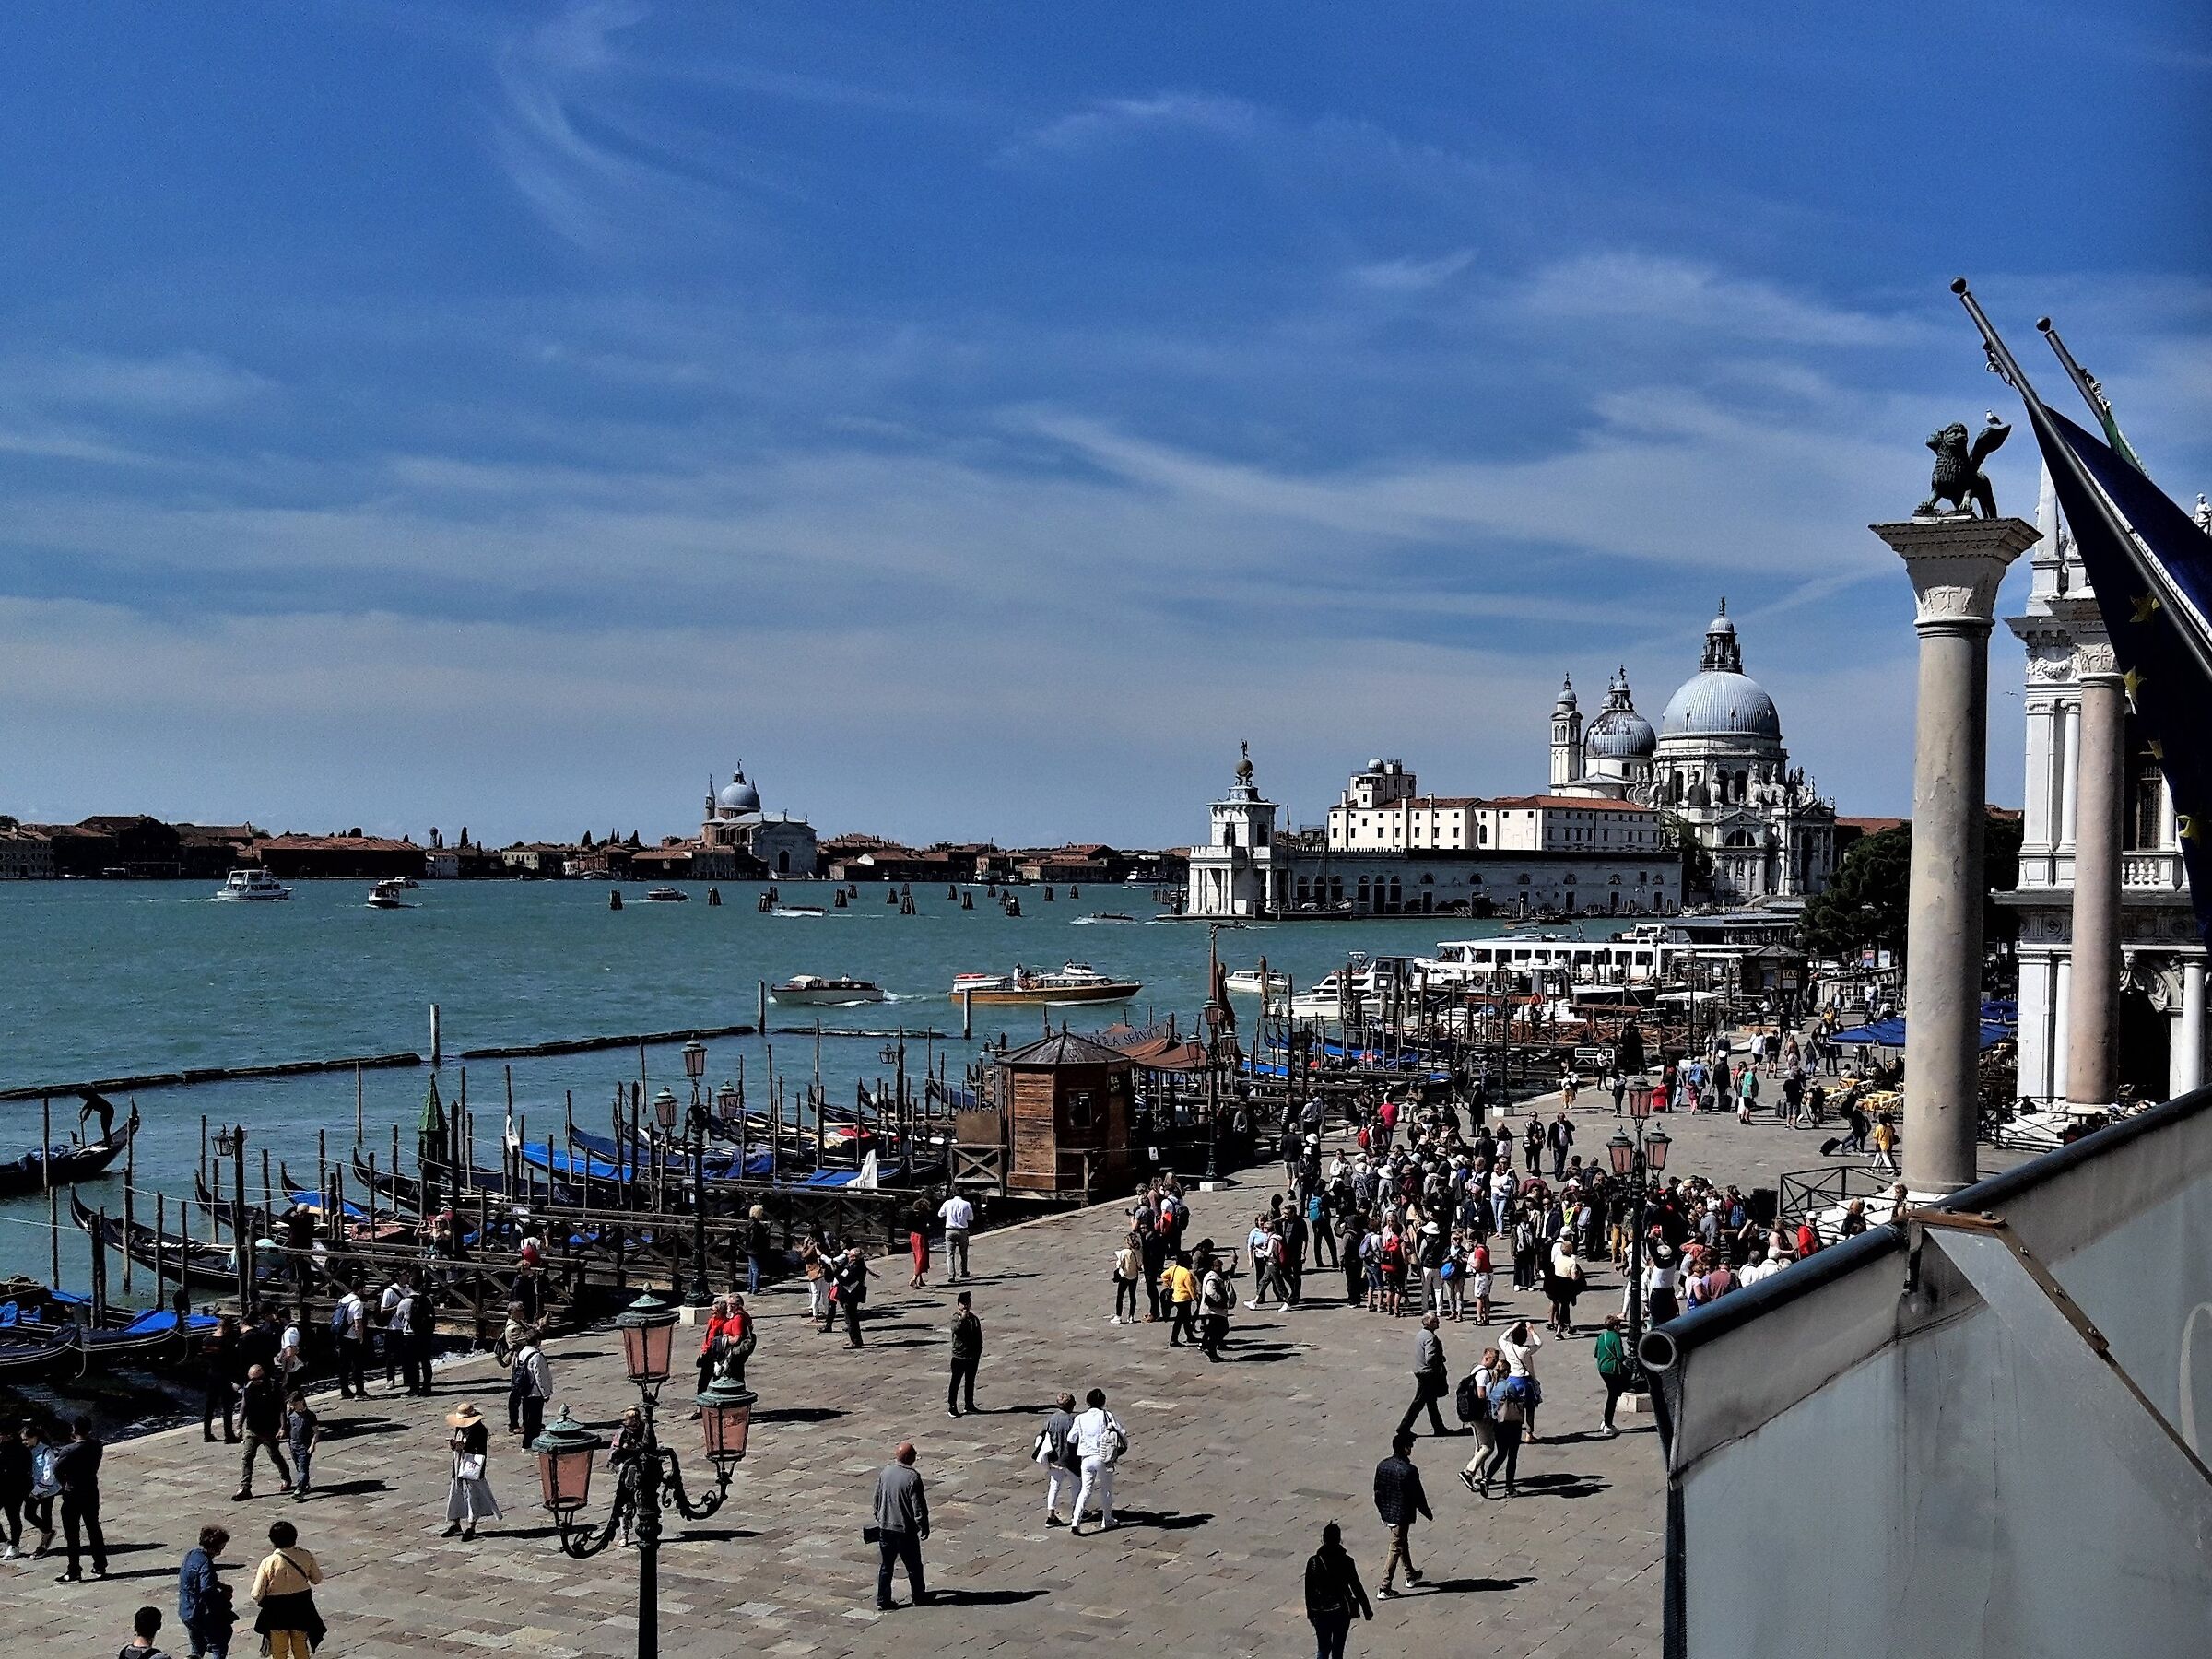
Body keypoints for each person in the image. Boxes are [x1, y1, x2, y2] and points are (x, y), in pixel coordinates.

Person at [248, 1520, 323, 1659]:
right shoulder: (306, 1555)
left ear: (272, 1540)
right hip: (302, 1606)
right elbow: (317, 1579)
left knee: (279, 1648)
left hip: (277, 1611)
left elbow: (256, 1594)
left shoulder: (268, 1562)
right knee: (301, 1646)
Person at [1371, 1432, 1430, 1597]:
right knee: (1395, 1547)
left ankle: (1410, 1574)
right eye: (1410, 1446)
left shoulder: (1382, 1465)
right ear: (1405, 1448)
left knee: (1401, 1542)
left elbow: (1377, 1490)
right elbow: (1418, 1495)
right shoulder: (1409, 1470)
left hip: (1387, 1512)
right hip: (1402, 1514)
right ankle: (1385, 1586)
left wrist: (1381, 1510)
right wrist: (1426, 1511)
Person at [870, 1442, 929, 1610]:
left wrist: (879, 1516)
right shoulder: (913, 1477)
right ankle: (918, 1596)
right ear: (909, 1457)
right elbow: (918, 1507)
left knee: (886, 1566)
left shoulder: (886, 1471)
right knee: (914, 1566)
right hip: (905, 1531)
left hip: (886, 1528)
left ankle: (883, 1600)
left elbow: (877, 1497)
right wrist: (923, 1525)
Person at [1303, 1521, 1374, 1658]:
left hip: (1320, 1611)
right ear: (1339, 1539)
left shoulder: (1314, 1561)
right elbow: (1356, 1586)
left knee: (1323, 1648)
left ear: (1323, 1539)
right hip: (1341, 1611)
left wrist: (1310, 1612)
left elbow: (1309, 1590)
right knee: (1337, 1650)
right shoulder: (1346, 1561)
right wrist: (1366, 1609)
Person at [53, 1416, 107, 1582]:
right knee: (93, 1528)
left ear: (74, 1430)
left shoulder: (68, 1450)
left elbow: (56, 1470)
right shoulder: (97, 1445)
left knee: (72, 1533)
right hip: (91, 1490)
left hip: (73, 1493)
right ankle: (100, 1564)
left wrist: (65, 1484)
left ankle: (74, 1569)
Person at [1068, 1388, 1126, 1535]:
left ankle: (1075, 1521)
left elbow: (1071, 1438)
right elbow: (1121, 1432)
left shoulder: (1080, 1418)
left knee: (1085, 1490)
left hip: (1086, 1458)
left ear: (1087, 1402)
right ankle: (1107, 1519)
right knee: (1106, 1490)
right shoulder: (1106, 1415)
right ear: (1103, 1402)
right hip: (1103, 1457)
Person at [441, 1403, 500, 1541]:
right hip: (458, 1463)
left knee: (472, 1496)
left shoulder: (480, 1430)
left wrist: (465, 1446)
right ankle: (455, 1524)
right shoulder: (460, 1427)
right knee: (456, 1493)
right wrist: (455, 1446)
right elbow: (459, 1444)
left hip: (472, 1466)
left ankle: (471, 1527)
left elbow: (480, 1451)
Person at [233, 1364, 291, 1501]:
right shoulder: (248, 1389)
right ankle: (245, 1487)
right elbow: (244, 1407)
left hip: (269, 1430)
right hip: (252, 1430)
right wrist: (239, 1426)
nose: (253, 1381)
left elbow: (281, 1409)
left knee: (275, 1456)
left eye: (255, 1379)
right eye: (251, 1379)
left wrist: (282, 1427)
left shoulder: (273, 1388)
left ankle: (286, 1477)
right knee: (247, 1457)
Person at [179, 1525, 235, 1659]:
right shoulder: (206, 1563)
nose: (221, 1551)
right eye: (221, 1547)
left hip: (186, 1609)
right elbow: (206, 1589)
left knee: (197, 1647)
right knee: (218, 1645)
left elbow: (195, 1579)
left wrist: (221, 1585)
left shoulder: (191, 1554)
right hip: (200, 1612)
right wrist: (222, 1597)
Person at [1395, 1314, 1453, 1438]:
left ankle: (1439, 1428)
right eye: (1435, 1321)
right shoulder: (1430, 1338)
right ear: (1430, 1323)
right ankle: (1403, 1428)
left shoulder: (1420, 1334)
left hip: (1420, 1370)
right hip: (1428, 1374)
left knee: (1431, 1402)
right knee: (1419, 1402)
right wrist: (1440, 1359)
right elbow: (1430, 1358)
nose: (1438, 1323)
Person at [1032, 1394, 1078, 1526]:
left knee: (1054, 1486)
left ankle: (1050, 1515)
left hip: (1054, 1459)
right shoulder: (1072, 1421)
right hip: (1069, 1460)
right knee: (1077, 1485)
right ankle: (1077, 1511)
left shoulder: (1051, 1419)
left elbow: (1043, 1434)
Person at [1498, 1319, 1545, 1441]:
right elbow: (1539, 1343)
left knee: (1514, 1408)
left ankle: (1514, 1432)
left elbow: (1501, 1339)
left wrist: (1512, 1328)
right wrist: (1531, 1330)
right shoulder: (1525, 1350)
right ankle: (1529, 1433)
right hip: (1525, 1381)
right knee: (1529, 1408)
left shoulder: (1508, 1347)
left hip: (1512, 1379)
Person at [201, 1316, 241, 1442]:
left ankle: (207, 1433)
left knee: (209, 1406)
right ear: (227, 1327)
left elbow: (204, 1358)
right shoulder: (227, 1342)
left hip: (211, 1374)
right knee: (227, 1406)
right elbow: (233, 1360)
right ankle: (228, 1435)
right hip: (224, 1375)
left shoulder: (206, 1340)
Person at [509, 1335, 552, 1446]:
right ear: (537, 1341)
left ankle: (526, 1443)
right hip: (535, 1392)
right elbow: (540, 1377)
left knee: (527, 1419)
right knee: (535, 1421)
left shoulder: (520, 1353)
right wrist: (546, 1394)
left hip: (524, 1390)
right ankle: (531, 1444)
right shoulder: (537, 1356)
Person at [24, 1420, 58, 1558]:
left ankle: (44, 1543)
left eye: (26, 1439)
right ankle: (48, 1531)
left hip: (46, 1489)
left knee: (46, 1513)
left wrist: (36, 1491)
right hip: (33, 1489)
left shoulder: (46, 1452)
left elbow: (48, 1477)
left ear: (34, 1438)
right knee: (29, 1514)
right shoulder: (29, 1450)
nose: (24, 1442)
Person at [1594, 1314, 1630, 1437]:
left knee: (1613, 1393)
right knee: (1613, 1396)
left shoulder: (1601, 1336)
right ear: (1615, 1327)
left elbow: (1595, 1353)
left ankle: (1606, 1422)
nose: (1620, 1327)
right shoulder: (1615, 1337)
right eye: (1619, 1325)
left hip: (1602, 1368)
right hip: (1612, 1369)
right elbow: (1620, 1356)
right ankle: (1608, 1424)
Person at [947, 1292, 982, 1417]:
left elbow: (979, 1337)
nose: (965, 1306)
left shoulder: (974, 1319)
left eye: (967, 1303)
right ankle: (952, 1405)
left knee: (970, 1381)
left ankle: (969, 1404)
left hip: (972, 1357)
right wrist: (963, 1317)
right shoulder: (956, 1318)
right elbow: (956, 1329)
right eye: (963, 1304)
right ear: (958, 1305)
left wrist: (978, 1352)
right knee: (955, 1382)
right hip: (959, 1357)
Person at [331, 1284, 368, 1400]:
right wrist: (361, 1338)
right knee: (357, 1365)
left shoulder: (343, 1300)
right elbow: (358, 1323)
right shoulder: (357, 1303)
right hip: (352, 1338)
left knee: (343, 1366)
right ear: (360, 1289)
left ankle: (344, 1390)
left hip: (341, 1336)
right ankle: (359, 1392)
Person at [282, 1394, 319, 1503]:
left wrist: (312, 1445)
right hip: (293, 1445)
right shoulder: (291, 1414)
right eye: (292, 1405)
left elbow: (316, 1432)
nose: (293, 1407)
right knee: (299, 1467)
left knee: (303, 1468)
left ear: (302, 1401)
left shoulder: (310, 1415)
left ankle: (299, 1490)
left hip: (304, 1447)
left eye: (295, 1404)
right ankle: (305, 1485)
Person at [0, 1416, 26, 1560]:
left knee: (13, 1517)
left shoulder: (20, 1450)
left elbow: (19, 1471)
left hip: (14, 1489)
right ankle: (2, 1540)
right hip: (1, 1487)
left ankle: (14, 1546)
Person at [1159, 1253, 1197, 1347]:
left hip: (1176, 1296)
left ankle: (1189, 1336)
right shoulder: (1186, 1273)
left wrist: (1168, 1284)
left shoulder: (1174, 1268)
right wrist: (1195, 1297)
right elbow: (1190, 1287)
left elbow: (1163, 1275)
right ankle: (1174, 1339)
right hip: (1184, 1298)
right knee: (1180, 1319)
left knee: (1186, 1318)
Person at [835, 1248, 870, 1348]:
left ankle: (855, 1340)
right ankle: (856, 1339)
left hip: (850, 1295)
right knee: (851, 1318)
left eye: (850, 1255)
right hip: (846, 1294)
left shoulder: (857, 1267)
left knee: (850, 1318)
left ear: (854, 1257)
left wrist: (837, 1275)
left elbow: (847, 1280)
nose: (848, 1256)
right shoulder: (851, 1263)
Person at [937, 1192, 975, 1284]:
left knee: (950, 1254)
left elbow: (940, 1214)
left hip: (950, 1230)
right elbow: (971, 1218)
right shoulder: (966, 1204)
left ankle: (951, 1275)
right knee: (963, 1252)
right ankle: (963, 1271)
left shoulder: (947, 1203)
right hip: (962, 1231)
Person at [1110, 1231, 1142, 1324]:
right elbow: (1140, 1264)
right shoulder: (1139, 1251)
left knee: (1120, 1296)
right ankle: (1131, 1316)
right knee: (1133, 1296)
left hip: (1125, 1276)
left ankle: (1118, 1316)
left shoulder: (1124, 1252)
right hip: (1134, 1276)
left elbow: (1119, 1264)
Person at [745, 1205, 773, 1295]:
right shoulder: (758, 1226)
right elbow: (760, 1238)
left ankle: (750, 1286)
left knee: (751, 1268)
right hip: (756, 1250)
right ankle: (755, 1288)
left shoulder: (749, 1223)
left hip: (749, 1248)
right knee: (756, 1269)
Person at [907, 1202, 931, 1290]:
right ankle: (914, 1278)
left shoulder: (911, 1214)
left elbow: (907, 1226)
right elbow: (926, 1227)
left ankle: (920, 1279)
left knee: (917, 1257)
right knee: (921, 1257)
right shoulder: (923, 1215)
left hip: (913, 1235)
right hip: (921, 1236)